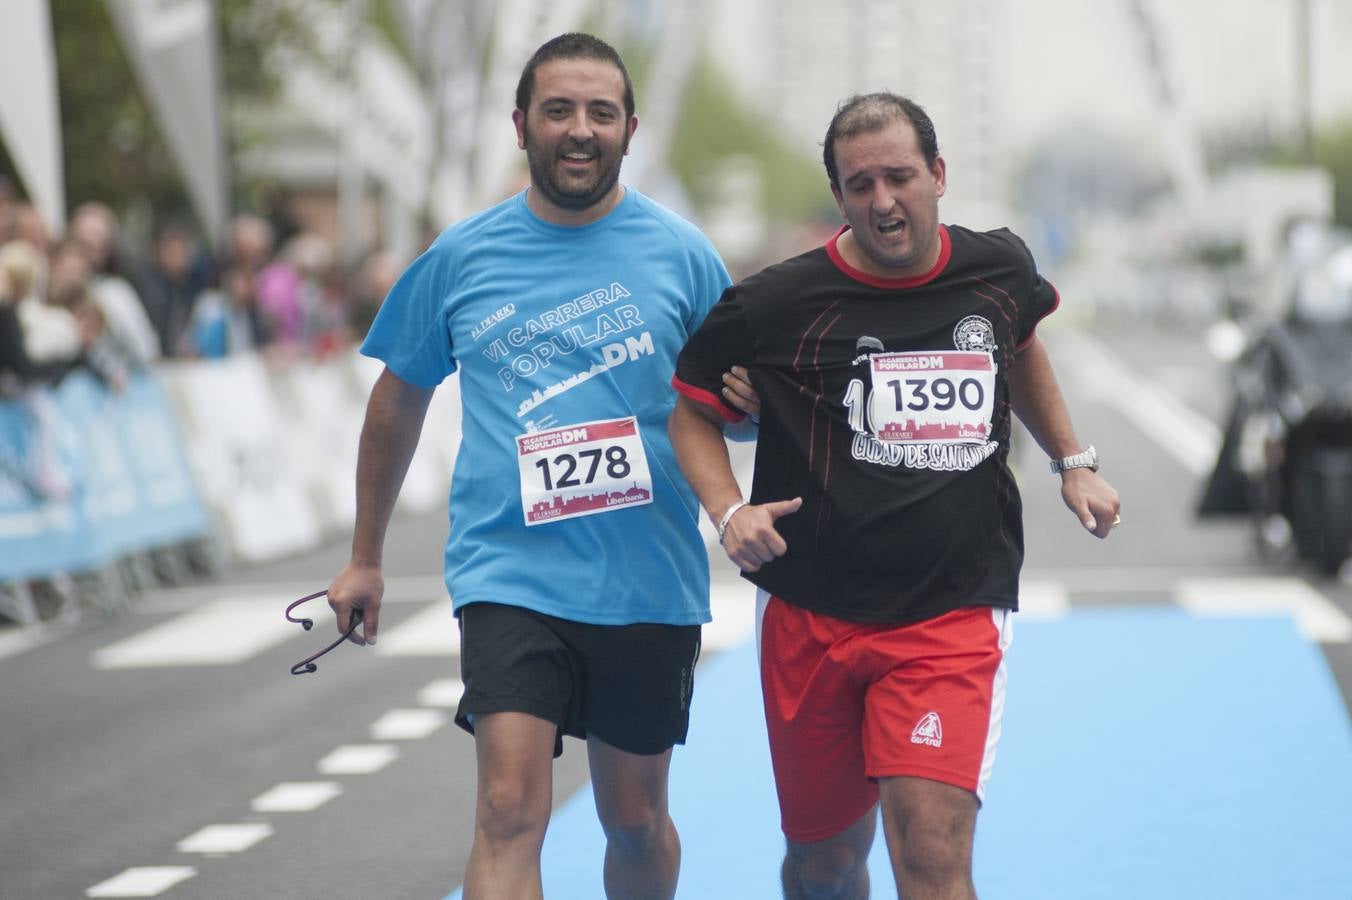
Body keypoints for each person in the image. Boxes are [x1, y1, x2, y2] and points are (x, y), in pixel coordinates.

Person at [324, 32, 752, 900]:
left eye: (601, 112)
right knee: (509, 806)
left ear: (631, 129)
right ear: (521, 124)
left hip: (648, 577)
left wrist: (746, 409)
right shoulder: (461, 256)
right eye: (559, 109)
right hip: (508, 571)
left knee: (633, 821)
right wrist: (365, 555)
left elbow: (732, 415)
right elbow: (397, 400)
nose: (580, 129)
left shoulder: (685, 257)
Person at [668, 92, 1121, 900]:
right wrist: (729, 510)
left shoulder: (1000, 269)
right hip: (811, 614)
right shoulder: (776, 303)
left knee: (933, 850)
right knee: (825, 864)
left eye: (900, 177)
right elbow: (692, 411)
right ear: (839, 197)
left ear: (939, 175)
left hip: (949, 607)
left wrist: (1072, 460)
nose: (883, 202)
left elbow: (1022, 347)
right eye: (860, 184)